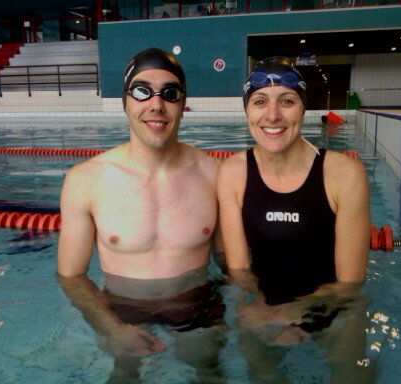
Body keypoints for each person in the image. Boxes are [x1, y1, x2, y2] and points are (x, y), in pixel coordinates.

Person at [57, 48, 224, 381]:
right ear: (126, 100)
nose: (156, 105)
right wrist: (111, 328)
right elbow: (71, 276)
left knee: (207, 368)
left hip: (196, 303)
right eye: (141, 90)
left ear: (182, 103)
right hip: (122, 309)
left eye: (170, 93)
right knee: (124, 374)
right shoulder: (86, 179)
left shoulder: (215, 174)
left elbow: (232, 266)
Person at [217, 56, 372, 382]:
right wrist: (261, 310)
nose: (272, 115)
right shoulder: (232, 172)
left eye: (286, 101)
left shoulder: (344, 174)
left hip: (333, 307)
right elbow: (240, 270)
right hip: (262, 305)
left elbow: (350, 284)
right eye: (259, 102)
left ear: (303, 109)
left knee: (351, 375)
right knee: (262, 373)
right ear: (247, 112)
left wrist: (290, 313)